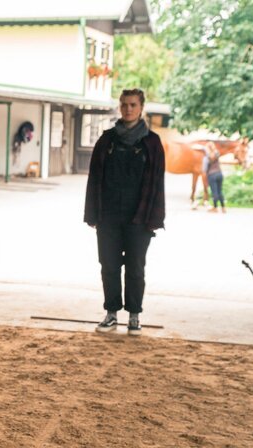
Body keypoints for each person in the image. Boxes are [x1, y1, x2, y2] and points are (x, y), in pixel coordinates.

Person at [84, 88, 165, 336]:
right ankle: (111, 313)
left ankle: (134, 316)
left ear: (141, 108)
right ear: (120, 107)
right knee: (108, 266)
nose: (128, 109)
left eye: (133, 105)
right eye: (124, 105)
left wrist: (155, 218)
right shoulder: (106, 140)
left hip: (139, 218)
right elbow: (94, 179)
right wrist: (92, 215)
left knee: (135, 268)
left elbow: (157, 183)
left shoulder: (152, 143)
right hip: (108, 217)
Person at [205, 142, 226, 213]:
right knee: (220, 191)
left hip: (212, 175)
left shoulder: (207, 156)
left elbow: (205, 167)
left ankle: (215, 207)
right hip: (219, 174)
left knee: (214, 192)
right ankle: (223, 207)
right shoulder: (217, 153)